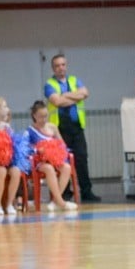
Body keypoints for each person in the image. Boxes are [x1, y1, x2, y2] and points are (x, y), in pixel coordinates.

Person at [44, 54, 101, 203]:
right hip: (60, 129)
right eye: (57, 65)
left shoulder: (74, 80)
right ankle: (64, 193)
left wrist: (66, 95)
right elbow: (57, 102)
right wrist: (76, 96)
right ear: (53, 68)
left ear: (66, 66)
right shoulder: (49, 84)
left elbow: (85, 93)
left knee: (82, 159)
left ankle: (87, 192)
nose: (60, 68)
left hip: (77, 127)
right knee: (61, 161)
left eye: (63, 65)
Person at [27, 101, 78, 211]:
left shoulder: (53, 127)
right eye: (41, 117)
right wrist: (39, 150)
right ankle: (62, 202)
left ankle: (55, 201)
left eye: (46, 116)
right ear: (34, 116)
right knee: (49, 169)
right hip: (40, 162)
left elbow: (62, 145)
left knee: (67, 167)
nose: (44, 119)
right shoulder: (30, 130)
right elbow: (28, 149)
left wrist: (56, 149)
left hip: (54, 159)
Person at [0, 96, 23, 217]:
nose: (7, 109)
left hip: (6, 163)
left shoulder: (7, 128)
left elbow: (15, 149)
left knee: (16, 171)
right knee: (1, 171)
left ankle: (9, 204)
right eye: (4, 106)